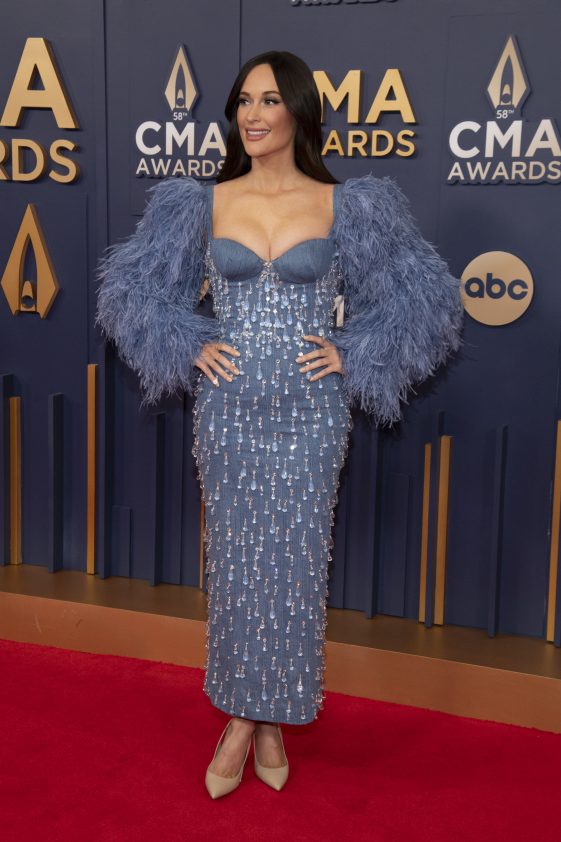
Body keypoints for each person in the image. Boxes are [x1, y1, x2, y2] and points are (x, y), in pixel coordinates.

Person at [94, 50, 464, 799]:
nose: (253, 115)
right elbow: (129, 294)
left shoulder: (347, 206)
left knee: (294, 569)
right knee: (236, 567)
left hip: (310, 414)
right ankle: (246, 720)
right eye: (243, 101)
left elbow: (426, 301)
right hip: (228, 413)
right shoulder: (200, 203)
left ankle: (266, 719)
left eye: (268, 100)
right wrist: (189, 342)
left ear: (299, 109)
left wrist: (355, 352)